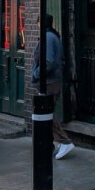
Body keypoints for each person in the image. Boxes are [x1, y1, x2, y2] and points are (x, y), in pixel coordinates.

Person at [32, 14, 74, 160]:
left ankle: (64, 141)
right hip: (50, 81)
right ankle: (50, 143)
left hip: (49, 82)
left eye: (38, 22)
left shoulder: (48, 38)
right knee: (47, 113)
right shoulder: (52, 36)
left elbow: (48, 61)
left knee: (46, 114)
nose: (36, 25)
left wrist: (36, 73)